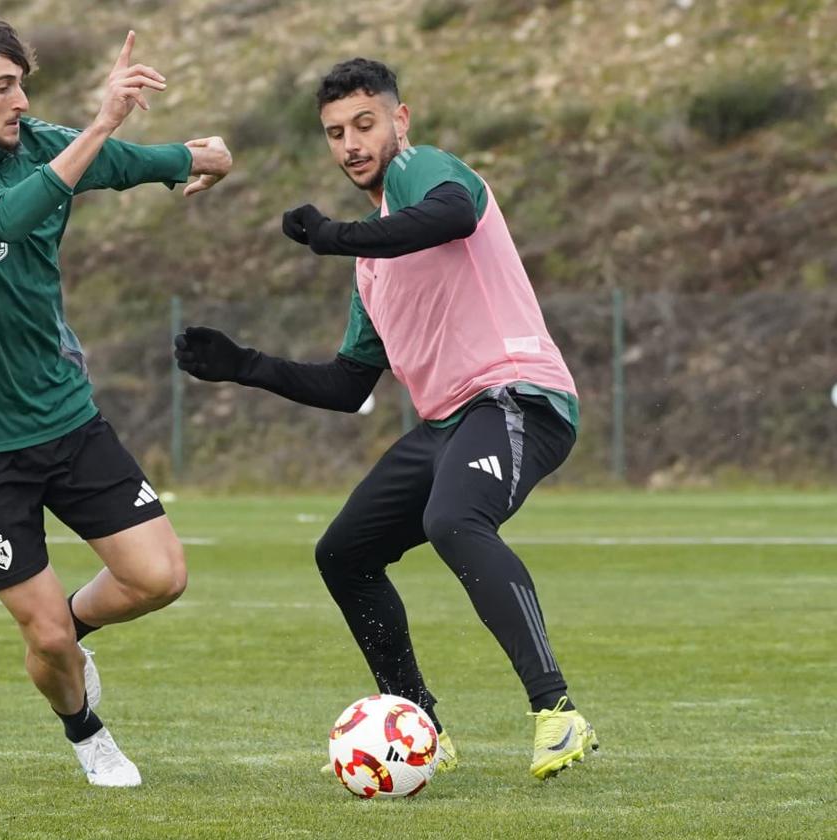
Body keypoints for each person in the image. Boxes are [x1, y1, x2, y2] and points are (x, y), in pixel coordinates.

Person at [174, 58, 598, 780]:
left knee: (453, 520)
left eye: (365, 124)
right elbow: (347, 386)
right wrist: (243, 364)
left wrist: (333, 234)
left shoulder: (421, 169)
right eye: (336, 132)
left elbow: (453, 213)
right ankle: (419, 722)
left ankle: (557, 713)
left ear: (400, 121)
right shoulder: (371, 265)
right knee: (342, 553)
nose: (351, 144)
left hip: (517, 397)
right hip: (447, 424)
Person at [0, 6, 231, 787]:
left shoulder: (39, 143)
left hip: (65, 416)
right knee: (41, 640)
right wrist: (101, 120)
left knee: (160, 578)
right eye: (3, 87)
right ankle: (87, 733)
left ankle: (72, 631)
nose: (20, 101)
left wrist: (196, 154)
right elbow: (11, 212)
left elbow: (123, 162)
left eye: (23, 85)